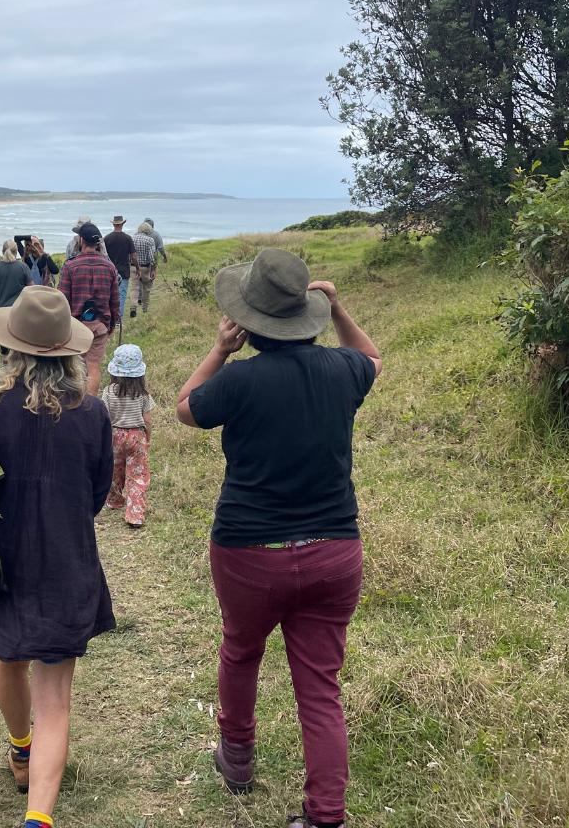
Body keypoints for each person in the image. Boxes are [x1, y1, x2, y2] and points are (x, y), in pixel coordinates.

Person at [175, 248, 381, 828]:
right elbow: (372, 357)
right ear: (306, 313)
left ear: (251, 320)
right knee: (320, 687)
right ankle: (324, 815)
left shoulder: (239, 380)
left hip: (248, 553)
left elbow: (185, 409)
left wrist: (219, 350)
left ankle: (236, 757)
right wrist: (340, 310)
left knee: (241, 649)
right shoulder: (343, 371)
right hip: (334, 551)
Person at [0, 285, 114, 828]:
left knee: (9, 659)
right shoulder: (92, 413)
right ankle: (37, 818)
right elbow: (96, 496)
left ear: (12, 347)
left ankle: (20, 750)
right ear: (69, 352)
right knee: (57, 700)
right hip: (65, 561)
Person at [57, 221, 121, 395]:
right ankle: (89, 407)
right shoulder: (109, 267)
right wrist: (112, 325)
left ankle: (73, 404)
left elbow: (61, 300)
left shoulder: (70, 266)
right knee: (93, 367)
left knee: (72, 367)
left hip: (74, 326)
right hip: (99, 326)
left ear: (81, 241)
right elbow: (115, 301)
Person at [100, 343, 155, 528]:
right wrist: (148, 436)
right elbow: (147, 420)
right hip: (136, 436)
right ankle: (135, 514)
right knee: (137, 475)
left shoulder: (108, 392)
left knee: (115, 471)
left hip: (115, 435)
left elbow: (104, 417)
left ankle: (114, 500)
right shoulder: (143, 394)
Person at [0, 239, 34, 311]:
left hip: (0, 309)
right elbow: (32, 288)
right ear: (16, 252)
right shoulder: (23, 267)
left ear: (3, 251)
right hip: (18, 310)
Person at [102, 216, 135, 314]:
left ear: (113, 224)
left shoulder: (106, 238)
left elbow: (102, 255)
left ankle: (109, 317)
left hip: (109, 271)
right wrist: (137, 268)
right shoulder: (128, 238)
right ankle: (118, 319)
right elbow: (133, 256)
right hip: (124, 271)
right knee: (121, 295)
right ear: (123, 224)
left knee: (109, 295)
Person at [130, 221, 158, 317]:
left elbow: (129, 254)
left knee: (134, 288)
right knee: (146, 289)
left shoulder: (132, 238)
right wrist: (153, 270)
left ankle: (133, 308)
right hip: (145, 267)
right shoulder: (150, 240)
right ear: (148, 230)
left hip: (133, 266)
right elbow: (152, 257)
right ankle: (145, 309)